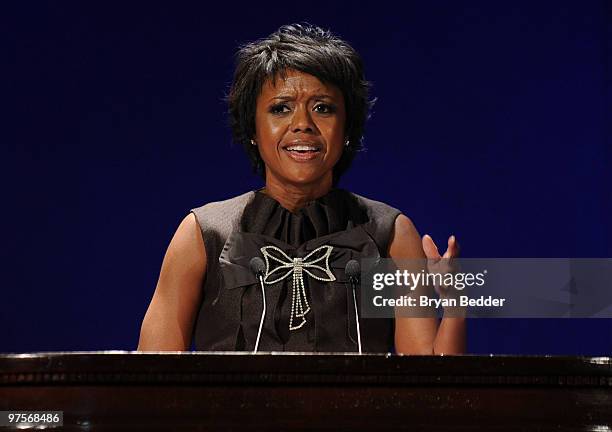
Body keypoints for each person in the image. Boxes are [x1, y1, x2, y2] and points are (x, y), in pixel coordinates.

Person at [137, 23, 465, 354]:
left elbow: (430, 387)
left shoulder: (390, 235)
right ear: (252, 127)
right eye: (280, 108)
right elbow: (150, 380)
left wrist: (455, 307)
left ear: (347, 128)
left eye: (323, 107)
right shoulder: (203, 234)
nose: (302, 123)